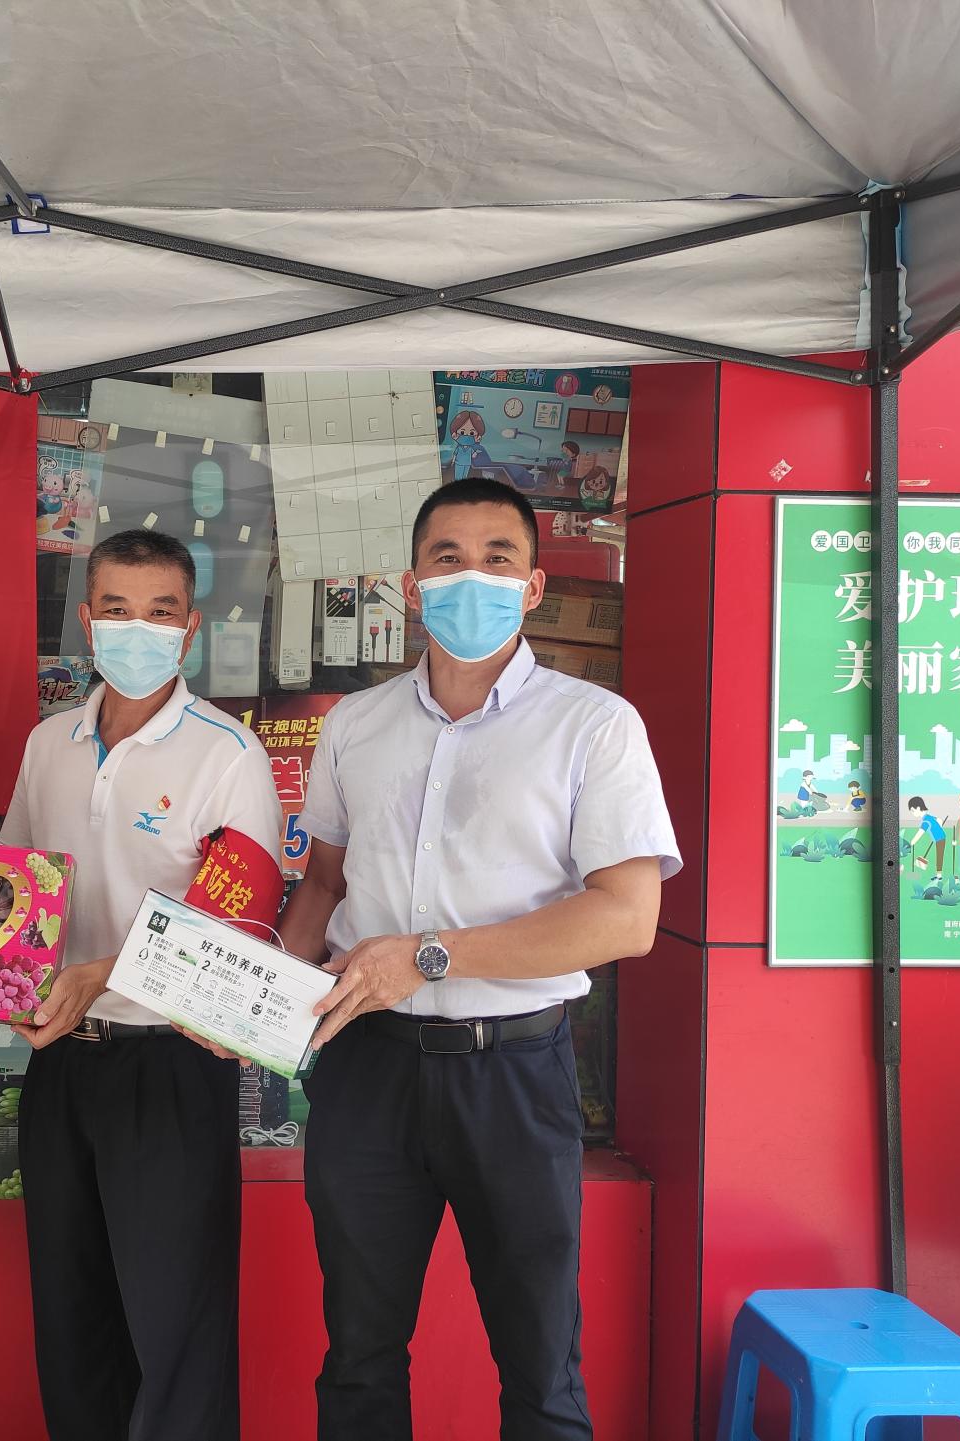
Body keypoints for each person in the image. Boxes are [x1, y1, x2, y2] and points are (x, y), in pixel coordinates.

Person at [277, 477, 680, 1440]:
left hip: (514, 1071)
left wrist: (429, 956)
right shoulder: (355, 725)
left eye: (497, 559)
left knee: (539, 1363)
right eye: (447, 559)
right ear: (412, 585)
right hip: (367, 1069)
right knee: (358, 1354)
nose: (472, 578)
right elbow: (322, 886)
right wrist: (258, 1002)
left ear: (533, 585)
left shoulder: (595, 726)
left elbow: (626, 918)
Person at [0, 527, 281, 1441]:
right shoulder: (50, 744)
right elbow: (10, 894)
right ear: (87, 620)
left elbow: (233, 936)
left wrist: (100, 973)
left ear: (190, 628)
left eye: (160, 612)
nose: (137, 629)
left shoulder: (227, 755)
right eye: (117, 609)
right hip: (61, 1064)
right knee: (72, 1318)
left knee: (175, 1327)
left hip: (169, 1070)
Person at [908, 795, 946, 872]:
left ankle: (939, 875)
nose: (912, 813)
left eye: (912, 810)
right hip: (940, 837)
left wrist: (911, 843)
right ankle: (938, 875)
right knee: (939, 856)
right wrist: (939, 827)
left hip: (940, 838)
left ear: (918, 808)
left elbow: (919, 833)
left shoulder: (925, 821)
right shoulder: (928, 817)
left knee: (939, 857)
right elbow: (939, 820)